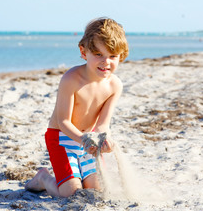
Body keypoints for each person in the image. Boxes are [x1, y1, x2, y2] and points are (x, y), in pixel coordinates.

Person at [25, 17, 129, 197]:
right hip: (61, 138)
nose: (106, 62)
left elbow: (103, 124)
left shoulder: (115, 85)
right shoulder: (71, 79)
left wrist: (105, 138)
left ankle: (77, 171)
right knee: (72, 192)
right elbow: (62, 120)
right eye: (98, 54)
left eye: (112, 56)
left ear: (121, 55)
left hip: (88, 141)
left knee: (96, 190)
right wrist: (82, 139)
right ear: (83, 51)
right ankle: (43, 178)